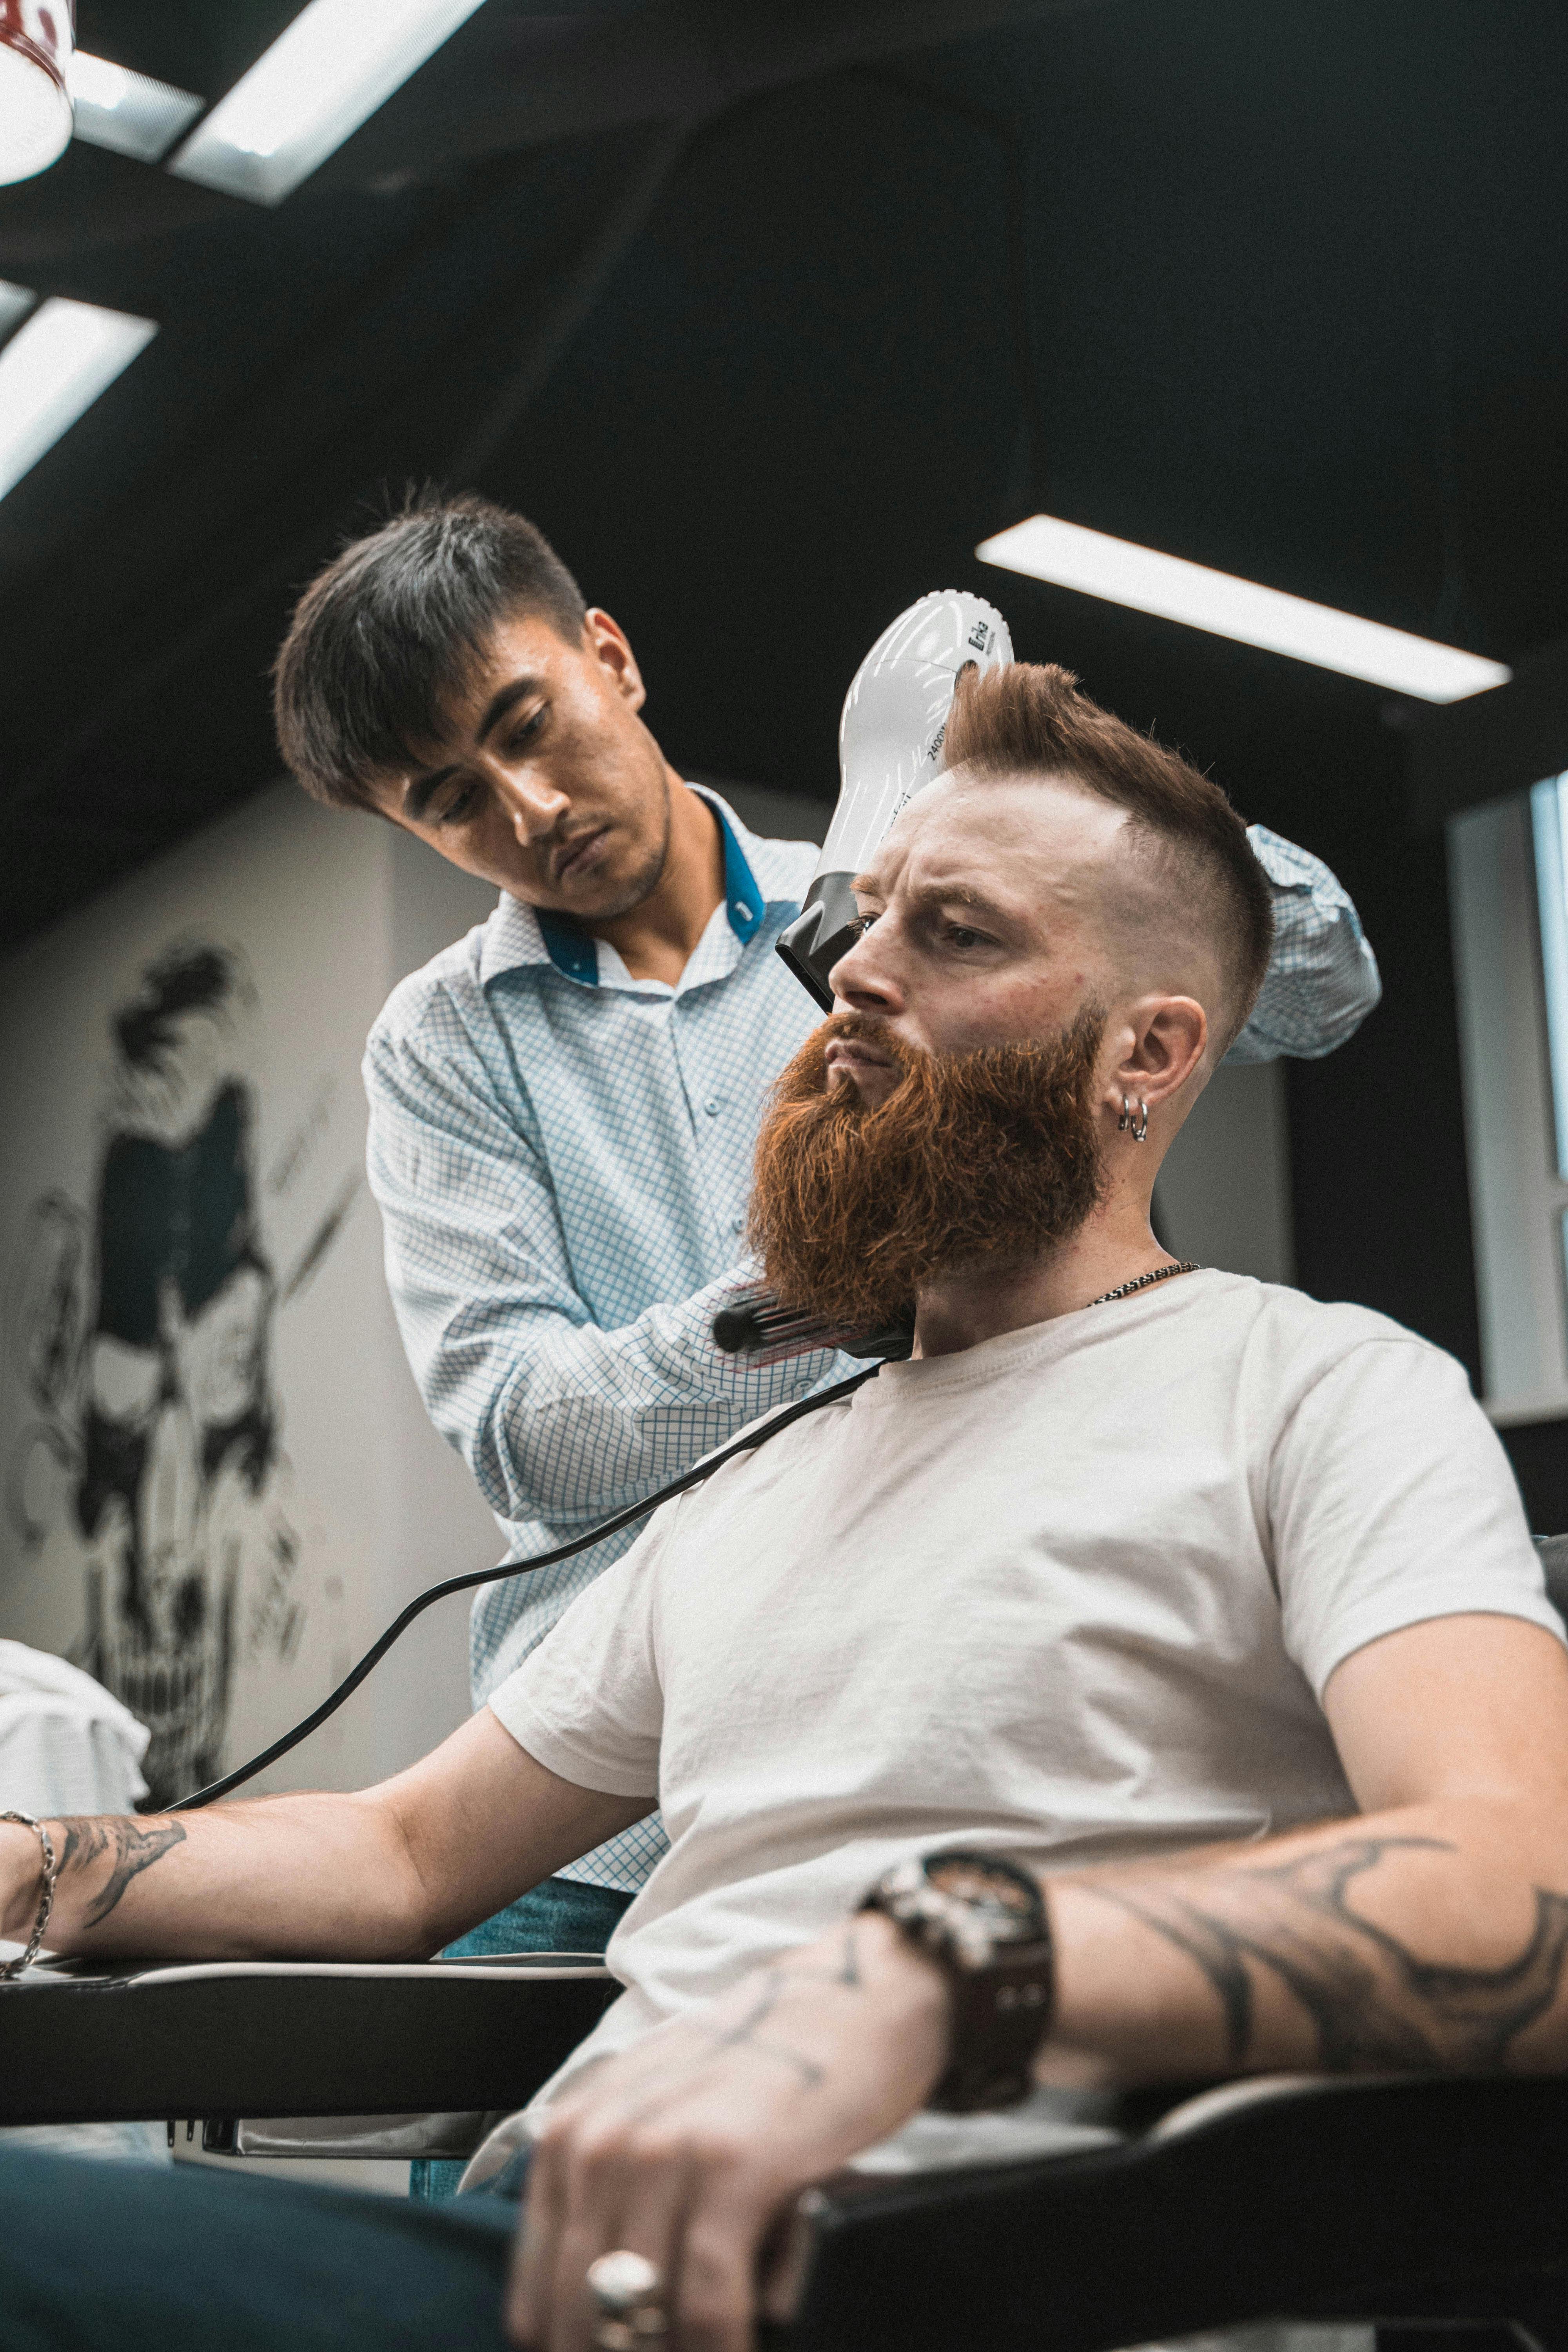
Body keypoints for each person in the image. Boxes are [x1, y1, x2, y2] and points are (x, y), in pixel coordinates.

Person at [2, 658, 1559, 2352]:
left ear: (1149, 1052)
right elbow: (401, 1854)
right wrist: (34, 1866)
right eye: (859, 923)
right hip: (563, 2266)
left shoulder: (1317, 1392)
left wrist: (935, 1964)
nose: (845, 977)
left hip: (925, 2272)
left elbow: (1522, 1889)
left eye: (953, 935)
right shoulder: (758, 1480)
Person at [271, 495, 1385, 1996]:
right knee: (513, 2213)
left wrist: (1045, 788)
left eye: (529, 723)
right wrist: (824, 1291)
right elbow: (529, 1440)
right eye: (451, 799)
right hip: (580, 1826)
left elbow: (1324, 983)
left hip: (924, 1726)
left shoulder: (909, 894)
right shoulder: (443, 1047)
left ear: (611, 656)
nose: (527, 809)